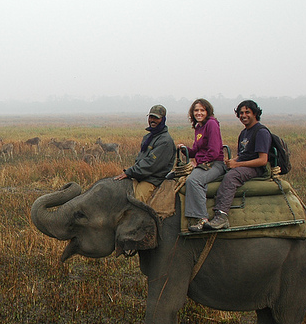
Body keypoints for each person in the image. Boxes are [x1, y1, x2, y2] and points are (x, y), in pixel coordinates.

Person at [205, 100, 271, 230]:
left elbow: (262, 160)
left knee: (232, 177)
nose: (243, 115)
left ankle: (221, 215)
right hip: (244, 164)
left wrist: (237, 165)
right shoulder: (244, 133)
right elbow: (244, 154)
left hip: (256, 168)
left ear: (255, 113)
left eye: (247, 112)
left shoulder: (261, 132)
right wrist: (233, 161)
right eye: (241, 113)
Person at [177, 99, 226, 232]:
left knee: (194, 180)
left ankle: (202, 218)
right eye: (196, 110)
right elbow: (196, 150)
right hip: (204, 162)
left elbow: (214, 151)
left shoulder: (211, 124)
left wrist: (198, 163)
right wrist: (184, 149)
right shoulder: (199, 127)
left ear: (207, 111)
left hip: (214, 164)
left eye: (202, 110)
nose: (199, 113)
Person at [114, 104, 176, 203]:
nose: (152, 120)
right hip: (140, 176)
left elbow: (151, 164)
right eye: (151, 117)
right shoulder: (148, 138)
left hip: (152, 179)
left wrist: (130, 172)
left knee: (136, 202)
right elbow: (140, 159)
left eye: (156, 118)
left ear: (163, 119)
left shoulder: (165, 141)